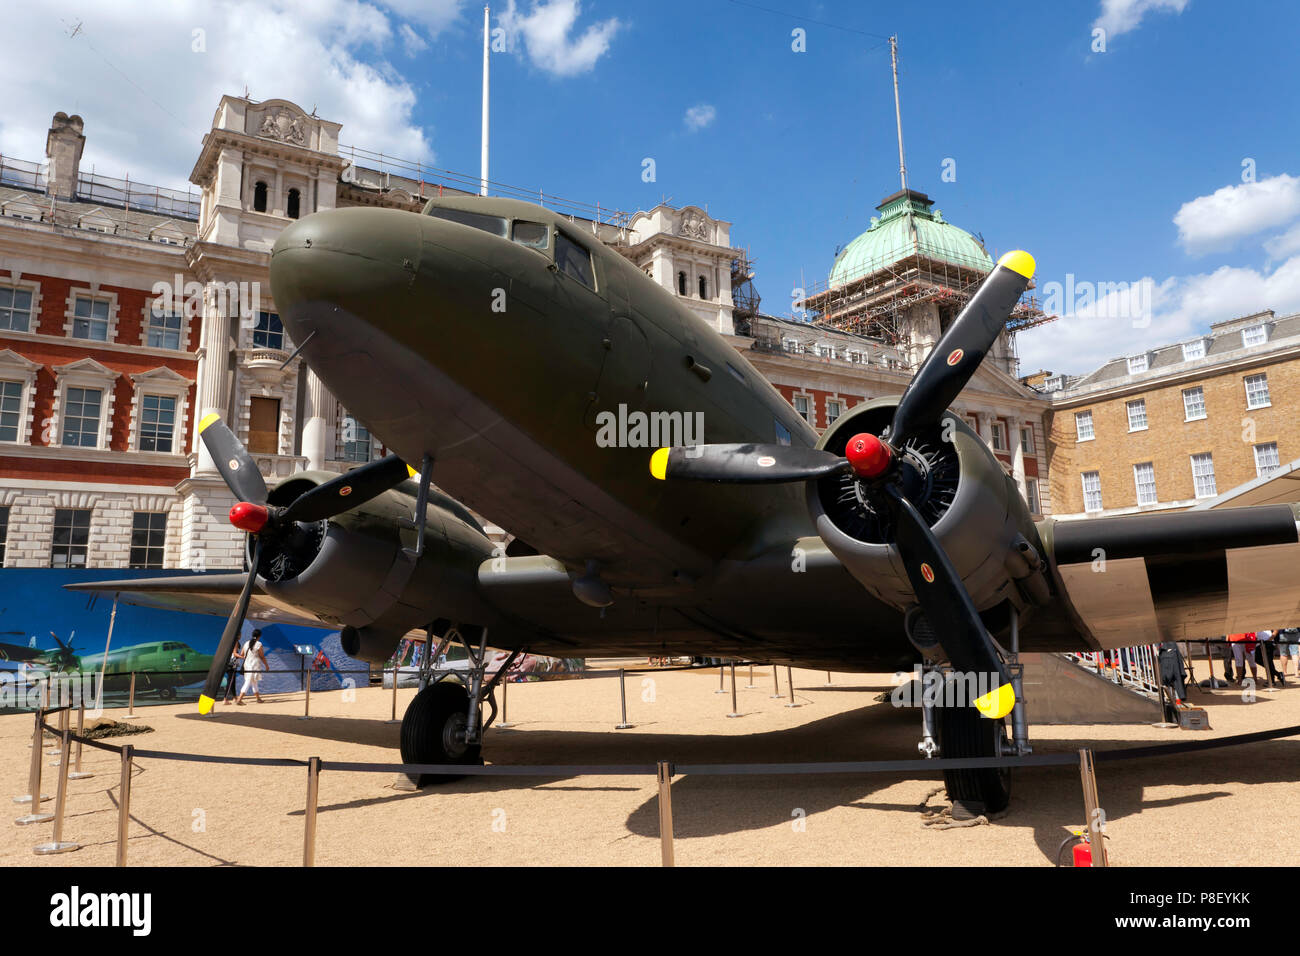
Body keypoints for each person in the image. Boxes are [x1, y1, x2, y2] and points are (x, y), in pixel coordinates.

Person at [236, 628, 268, 705]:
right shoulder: (259, 644)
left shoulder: (246, 643)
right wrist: (266, 665)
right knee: (248, 682)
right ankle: (239, 699)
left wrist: (249, 658)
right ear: (259, 636)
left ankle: (258, 699)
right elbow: (262, 656)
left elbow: (242, 654)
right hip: (254, 665)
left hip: (247, 665)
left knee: (254, 681)